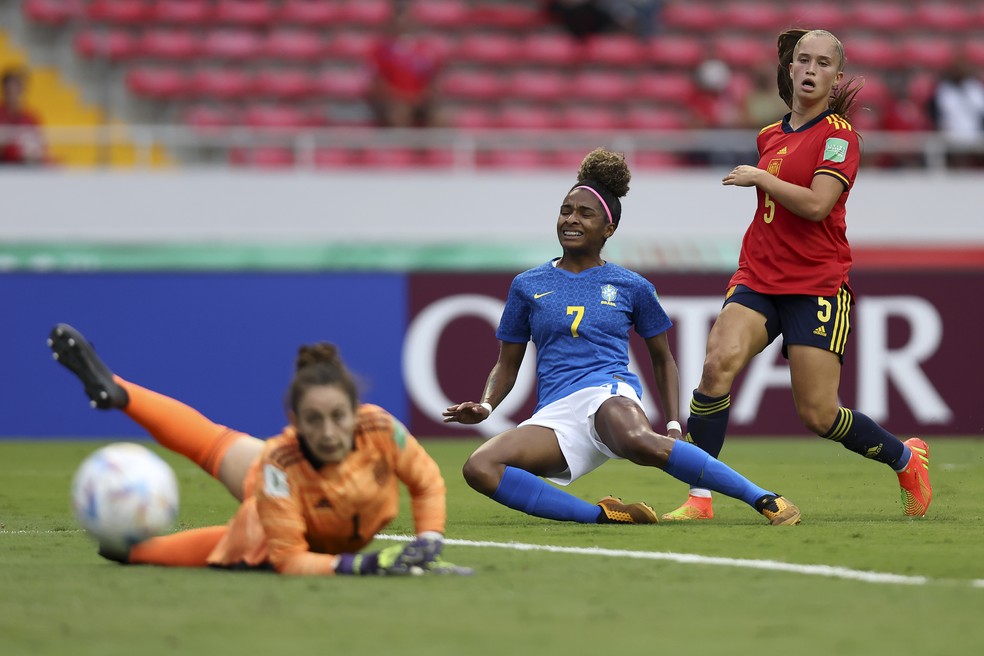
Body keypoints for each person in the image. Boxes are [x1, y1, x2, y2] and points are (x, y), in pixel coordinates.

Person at [443, 147, 801, 527]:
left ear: (608, 228)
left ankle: (765, 499)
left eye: (585, 213)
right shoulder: (527, 285)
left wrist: (675, 424)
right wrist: (485, 406)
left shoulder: (632, 285)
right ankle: (605, 517)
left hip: (608, 392)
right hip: (556, 412)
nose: (571, 219)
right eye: (566, 210)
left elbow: (662, 359)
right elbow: (507, 363)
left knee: (636, 439)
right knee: (480, 468)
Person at [660, 29, 932, 522]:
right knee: (716, 365)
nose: (811, 69)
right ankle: (700, 499)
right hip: (758, 276)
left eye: (822, 63)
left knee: (818, 415)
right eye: (803, 60)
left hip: (816, 285)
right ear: (790, 70)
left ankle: (906, 459)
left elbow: (816, 205)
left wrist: (762, 177)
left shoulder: (839, 136)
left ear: (836, 76)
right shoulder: (770, 134)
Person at [49, 323, 471, 576]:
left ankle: (120, 391)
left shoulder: (380, 427)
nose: (327, 431)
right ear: (294, 422)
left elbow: (427, 481)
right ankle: (134, 550)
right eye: (313, 420)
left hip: (297, 486)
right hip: (288, 515)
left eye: (338, 416)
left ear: (355, 410)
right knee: (238, 542)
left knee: (213, 442)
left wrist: (430, 537)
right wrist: (361, 565)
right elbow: (290, 560)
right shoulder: (279, 463)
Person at [367, 5, 445, 128]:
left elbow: (434, 79)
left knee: (442, 116)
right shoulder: (381, 49)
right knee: (399, 114)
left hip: (422, 100)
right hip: (394, 101)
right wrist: (403, 97)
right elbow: (378, 82)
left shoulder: (426, 48)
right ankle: (398, 147)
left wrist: (421, 96)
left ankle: (437, 147)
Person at [925, 58, 984, 168]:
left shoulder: (975, 88)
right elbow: (935, 114)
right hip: (950, 135)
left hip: (975, 135)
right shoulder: (943, 90)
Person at [0, 67, 47, 165]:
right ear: (4, 90)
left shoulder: (30, 118)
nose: (14, 93)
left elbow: (39, 147)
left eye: (17, 88)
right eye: (10, 88)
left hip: (24, 167)